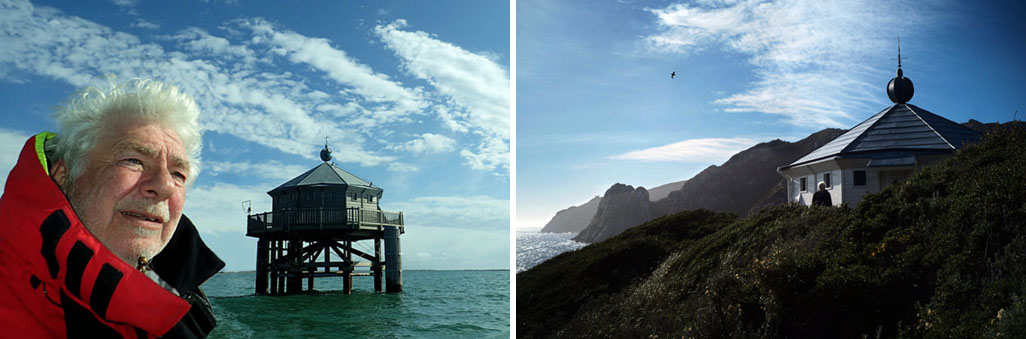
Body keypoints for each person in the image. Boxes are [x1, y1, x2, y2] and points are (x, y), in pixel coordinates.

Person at [0, 78, 224, 337]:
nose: (164, 186)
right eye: (133, 160)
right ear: (65, 175)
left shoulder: (175, 299)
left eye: (178, 174)